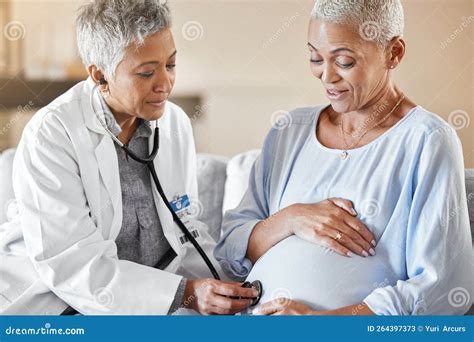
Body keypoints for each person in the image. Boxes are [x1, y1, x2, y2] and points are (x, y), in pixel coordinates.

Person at [214, 0, 473, 315]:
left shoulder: (427, 140)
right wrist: (292, 218)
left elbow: (442, 287)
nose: (326, 76)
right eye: (315, 57)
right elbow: (229, 249)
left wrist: (322, 323)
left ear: (394, 53)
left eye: (345, 61)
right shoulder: (289, 130)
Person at [0, 0, 257, 315]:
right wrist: (184, 293)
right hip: (59, 304)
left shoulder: (173, 124)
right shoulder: (52, 134)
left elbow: (185, 226)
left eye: (171, 65)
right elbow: (72, 264)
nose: (165, 84)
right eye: (146, 72)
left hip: (147, 302)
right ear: (100, 75)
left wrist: (229, 286)